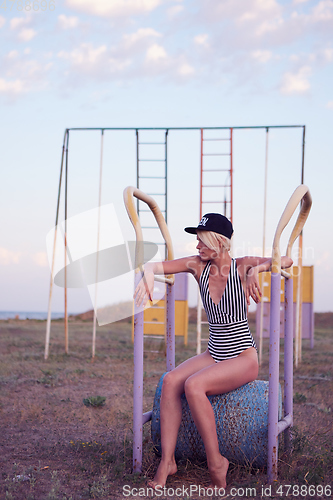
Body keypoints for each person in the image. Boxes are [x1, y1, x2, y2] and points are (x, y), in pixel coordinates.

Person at [134, 213, 293, 490]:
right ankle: (167, 461)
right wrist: (148, 275)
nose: (197, 246)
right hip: (214, 352)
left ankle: (216, 462)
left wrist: (257, 269)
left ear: (219, 241)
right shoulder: (197, 266)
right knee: (171, 381)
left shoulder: (242, 265)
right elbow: (154, 265)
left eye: (201, 240)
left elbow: (287, 261)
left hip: (242, 357)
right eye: (197, 240)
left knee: (194, 385)